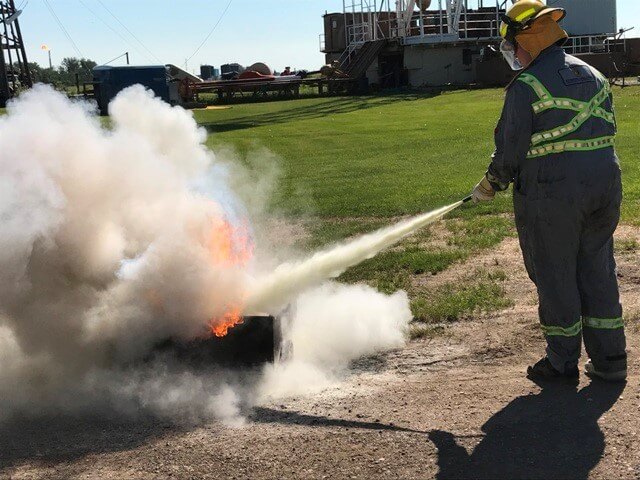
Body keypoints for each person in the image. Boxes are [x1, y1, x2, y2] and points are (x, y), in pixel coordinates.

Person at [471, 0, 627, 382]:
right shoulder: (594, 75)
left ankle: (561, 363)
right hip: (606, 185)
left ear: (530, 40)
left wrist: (492, 183)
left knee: (556, 275)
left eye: (514, 45)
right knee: (597, 271)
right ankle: (610, 361)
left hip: (554, 193)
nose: (514, 54)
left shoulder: (527, 86)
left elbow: (511, 148)